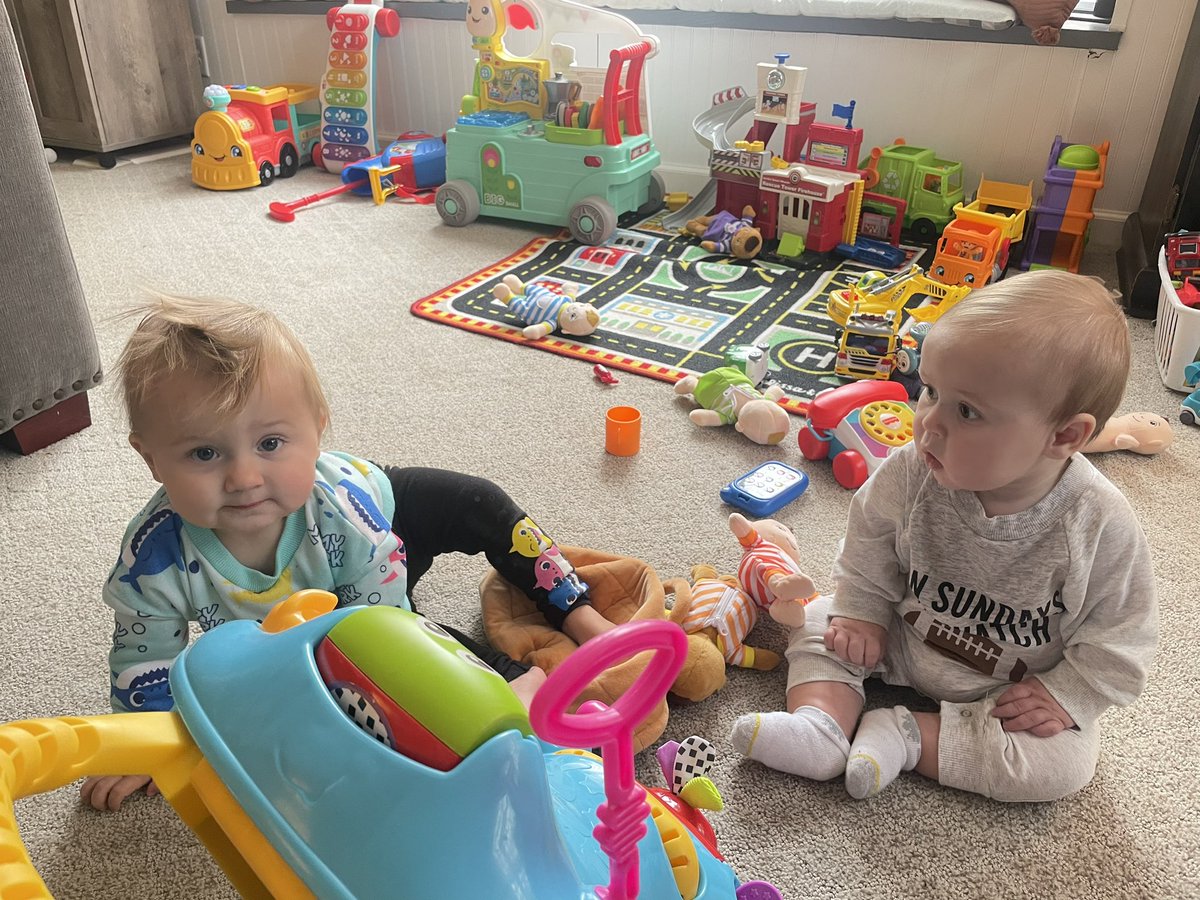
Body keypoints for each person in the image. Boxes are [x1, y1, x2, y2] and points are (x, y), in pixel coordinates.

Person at [83, 293, 615, 811]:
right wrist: (143, 741)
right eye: (204, 453)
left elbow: (392, 635)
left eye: (270, 443)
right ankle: (512, 670)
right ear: (151, 459)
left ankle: (572, 607)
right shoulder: (151, 561)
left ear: (317, 428)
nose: (244, 478)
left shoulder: (342, 509)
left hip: (382, 516)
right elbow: (144, 656)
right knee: (348, 653)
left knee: (478, 503)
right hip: (333, 599)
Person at [731, 270, 1158, 802]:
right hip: (900, 638)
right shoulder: (914, 468)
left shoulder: (1098, 523)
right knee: (821, 618)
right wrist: (863, 611)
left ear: (1064, 436)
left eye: (967, 411)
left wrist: (1066, 693)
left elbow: (1123, 635)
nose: (928, 423)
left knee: (1064, 766)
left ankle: (906, 735)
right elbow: (869, 537)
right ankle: (822, 725)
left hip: (1008, 689)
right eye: (930, 390)